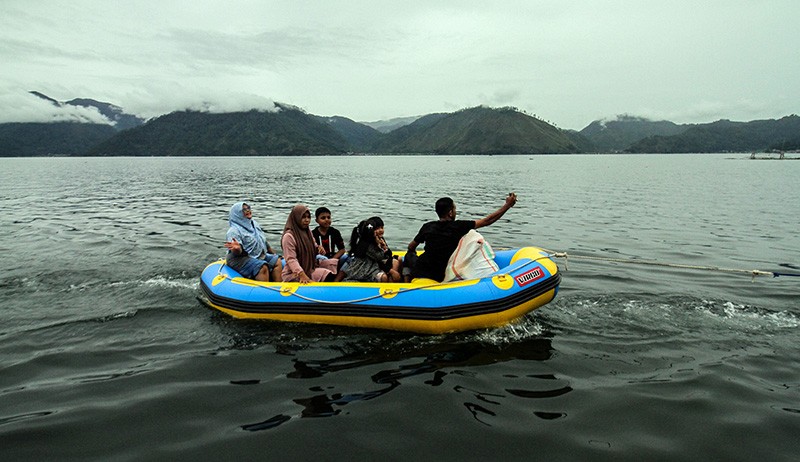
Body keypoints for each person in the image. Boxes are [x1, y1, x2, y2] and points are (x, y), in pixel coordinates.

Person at [407, 193, 517, 282]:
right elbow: (487, 221)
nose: (455, 212)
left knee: (408, 255)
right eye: (454, 209)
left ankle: (406, 279)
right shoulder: (459, 227)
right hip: (438, 273)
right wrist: (507, 205)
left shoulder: (427, 227)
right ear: (450, 213)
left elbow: (411, 246)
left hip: (420, 268)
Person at [224, 202, 283, 282]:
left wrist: (274, 254)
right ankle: (265, 292)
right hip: (239, 258)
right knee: (262, 267)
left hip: (255, 255)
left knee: (277, 261)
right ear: (237, 214)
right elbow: (238, 252)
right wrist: (237, 248)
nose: (248, 210)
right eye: (244, 209)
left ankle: (278, 288)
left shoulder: (254, 224)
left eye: (248, 208)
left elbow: (263, 242)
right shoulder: (234, 231)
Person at [281, 204, 338, 283]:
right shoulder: (289, 236)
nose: (307, 220)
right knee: (328, 275)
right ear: (296, 218)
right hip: (294, 273)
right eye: (303, 217)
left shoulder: (308, 232)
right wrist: (302, 275)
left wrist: (318, 248)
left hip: (310, 266)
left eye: (308, 217)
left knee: (333, 263)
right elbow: (291, 259)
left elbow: (314, 246)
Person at [343, 216, 402, 283]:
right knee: (386, 274)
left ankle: (396, 282)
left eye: (382, 228)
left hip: (373, 265)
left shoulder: (380, 239)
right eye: (377, 229)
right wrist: (379, 246)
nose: (380, 230)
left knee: (396, 260)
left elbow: (387, 255)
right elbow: (379, 257)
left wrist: (385, 247)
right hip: (365, 269)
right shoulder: (366, 244)